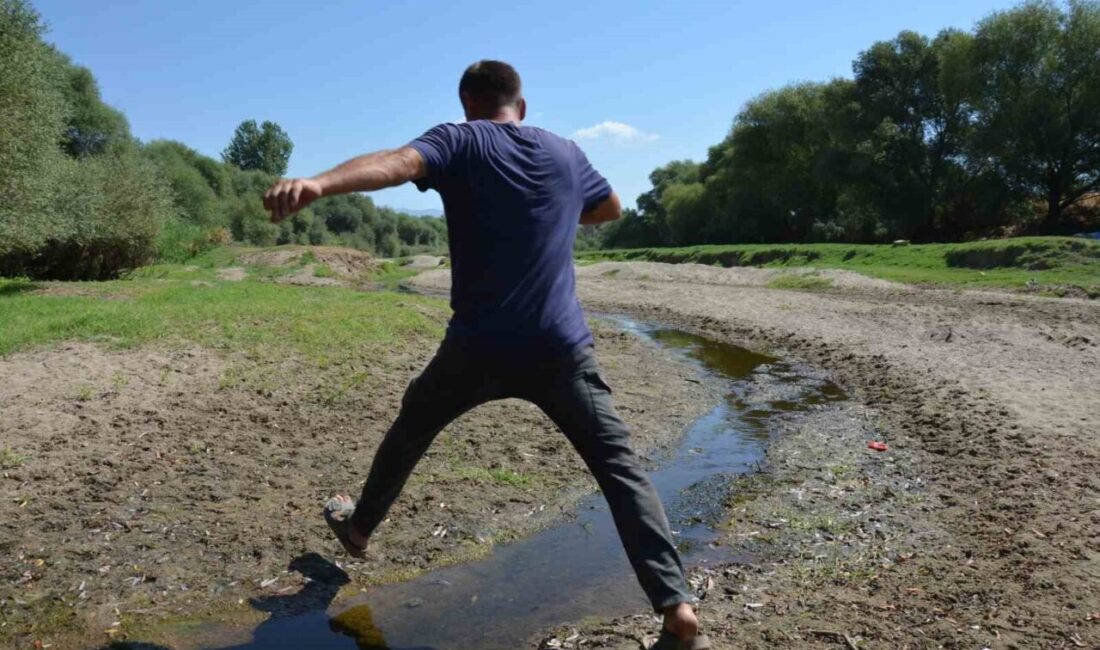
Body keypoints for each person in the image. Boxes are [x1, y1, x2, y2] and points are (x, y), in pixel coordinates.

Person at [263, 60, 710, 650]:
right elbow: (610, 208)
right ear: (519, 106)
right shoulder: (567, 152)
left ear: (468, 104)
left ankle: (359, 528)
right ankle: (676, 609)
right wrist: (552, 211)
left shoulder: (458, 139)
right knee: (620, 470)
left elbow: (396, 164)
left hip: (478, 346)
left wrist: (320, 184)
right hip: (560, 347)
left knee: (414, 421)